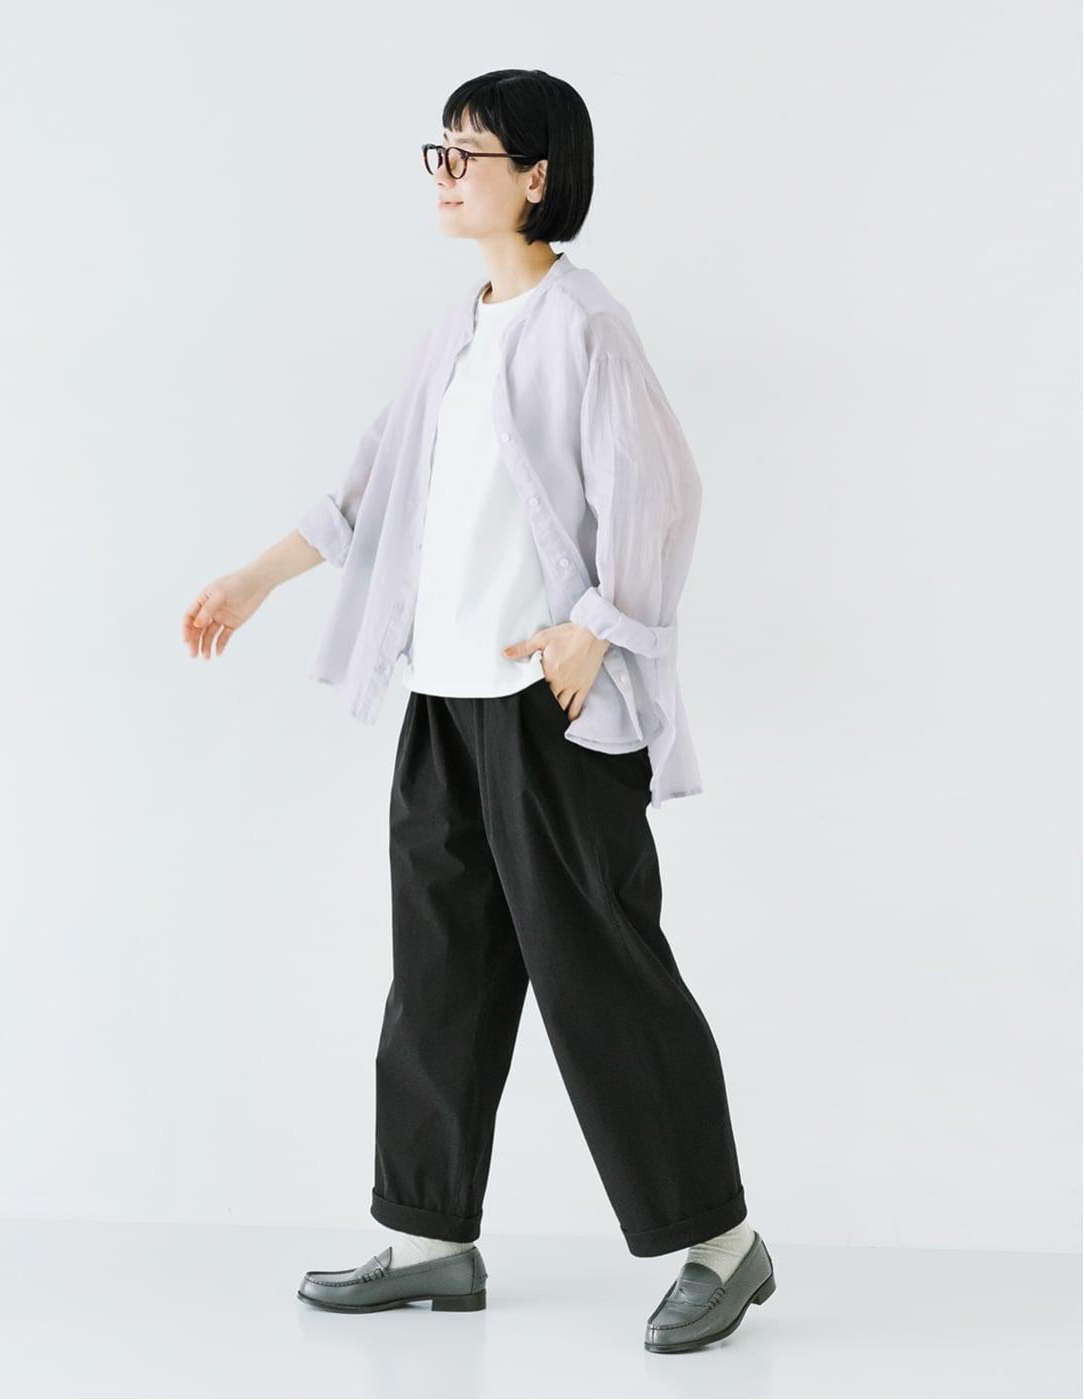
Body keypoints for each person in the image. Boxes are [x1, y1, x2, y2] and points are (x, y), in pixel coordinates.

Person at [182, 68, 775, 1354]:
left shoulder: (584, 323)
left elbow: (664, 489)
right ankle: (429, 1239)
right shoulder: (455, 330)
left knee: (600, 975)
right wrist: (255, 578)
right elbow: (370, 490)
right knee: (438, 974)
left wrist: (597, 624)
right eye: (440, 151)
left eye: (472, 152)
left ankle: (723, 1245)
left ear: (537, 175)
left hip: (551, 710)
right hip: (447, 702)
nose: (447, 173)